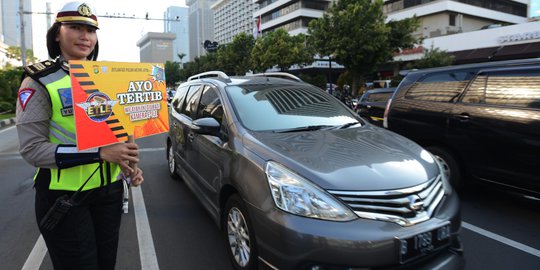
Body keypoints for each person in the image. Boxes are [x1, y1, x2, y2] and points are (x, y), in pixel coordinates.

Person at [15, 2, 143, 269]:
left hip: (109, 192)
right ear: (57, 34)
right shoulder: (39, 81)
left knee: (106, 263)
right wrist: (99, 153)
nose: (85, 36)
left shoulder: (109, 78)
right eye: (75, 27)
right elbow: (32, 150)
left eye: (91, 30)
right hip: (64, 197)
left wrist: (129, 165)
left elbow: (121, 130)